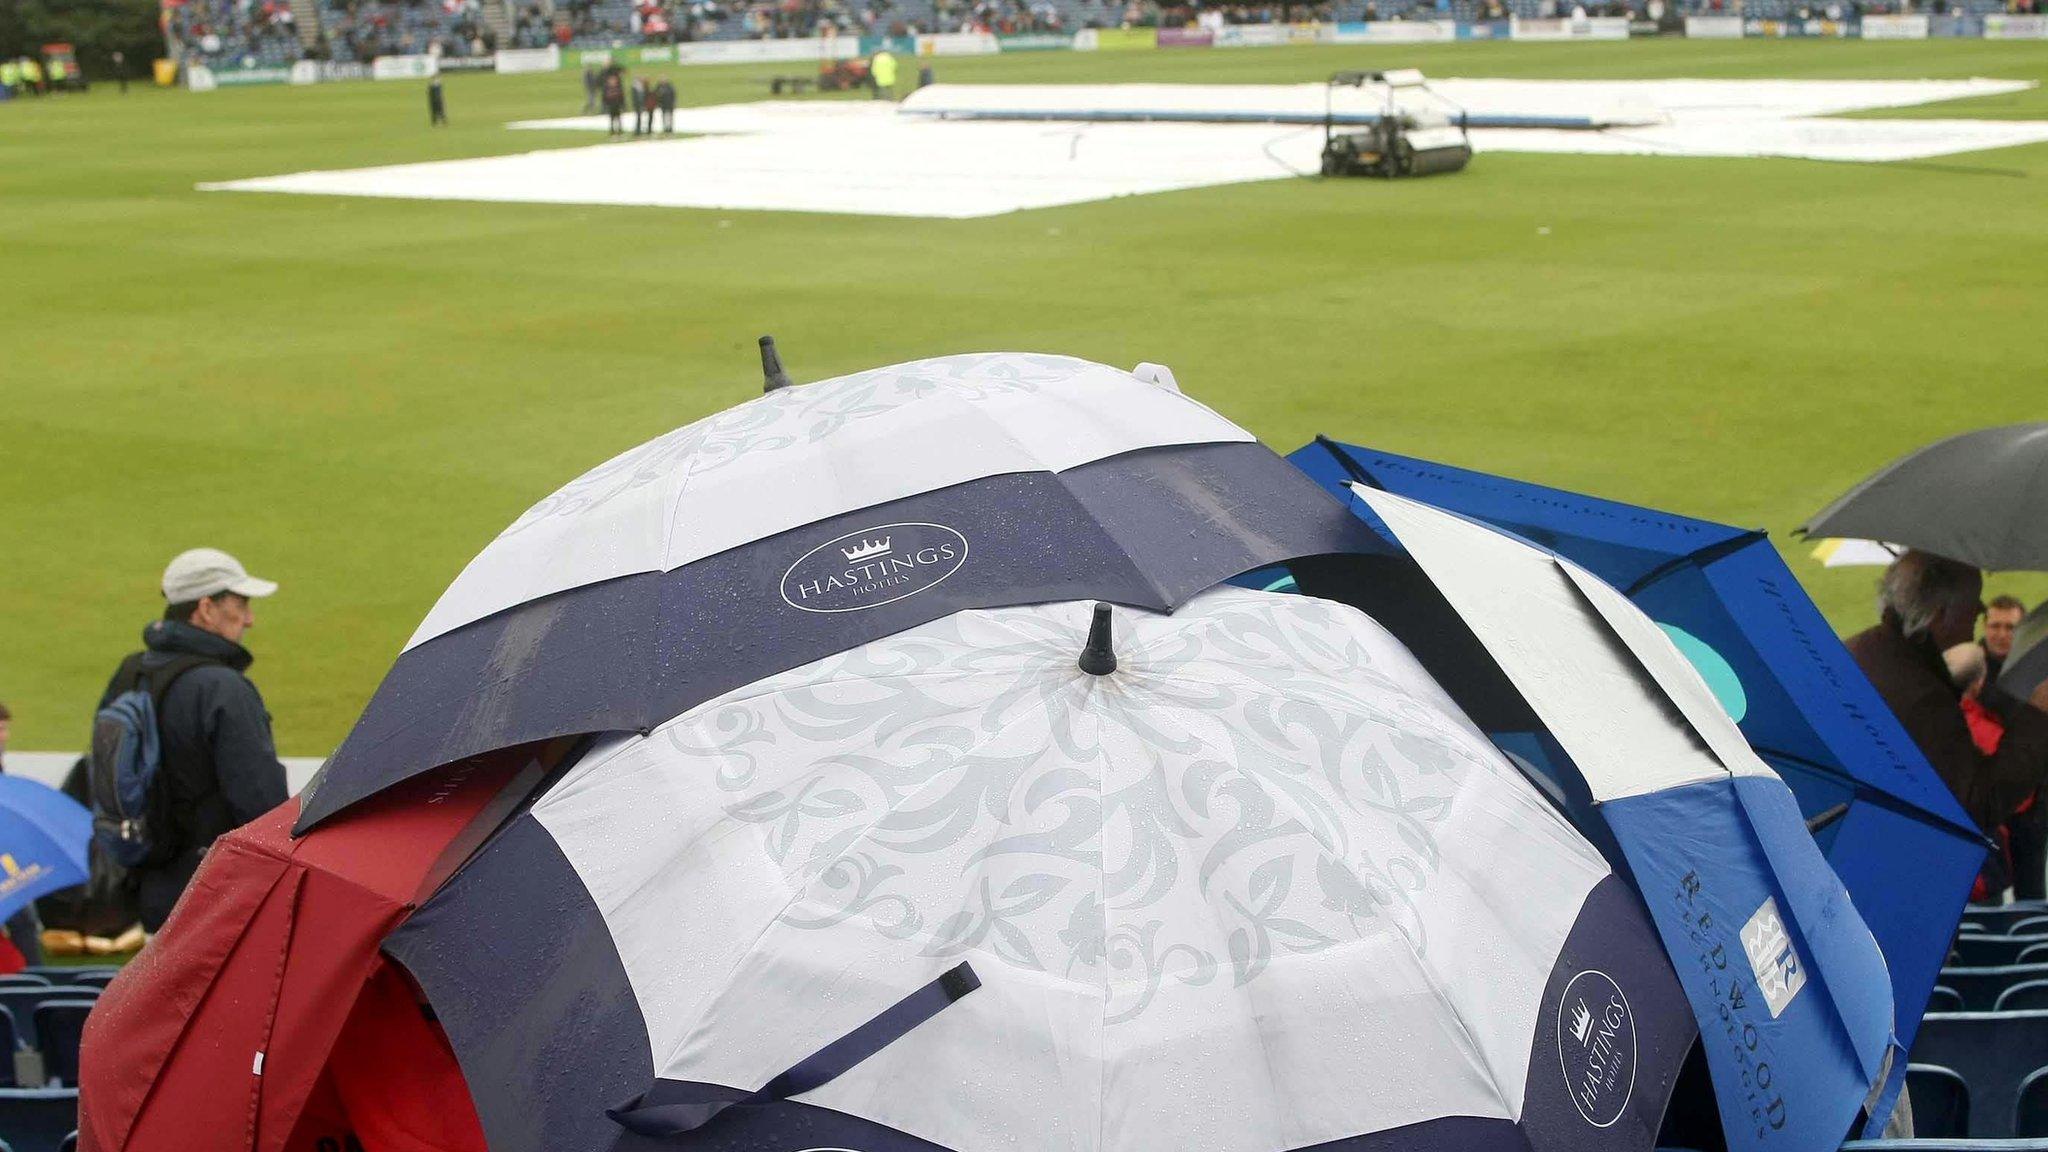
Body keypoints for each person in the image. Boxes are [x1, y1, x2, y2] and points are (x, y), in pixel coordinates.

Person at [96, 548, 289, 932]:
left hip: (148, 889)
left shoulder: (130, 673)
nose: (249, 618)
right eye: (240, 603)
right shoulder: (224, 688)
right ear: (205, 608)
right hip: (215, 900)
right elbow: (261, 806)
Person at [1848, 551, 2048, 840]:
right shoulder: (1921, 697)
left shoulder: (1866, 649)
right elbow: (1978, 804)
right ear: (1941, 613)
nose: (1981, 609)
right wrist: (2038, 713)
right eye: (1973, 600)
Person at [1987, 595, 2027, 682]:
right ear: (1985, 627)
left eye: (2010, 627)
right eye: (1995, 626)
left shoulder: (2038, 669)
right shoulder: (1967, 669)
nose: (2002, 635)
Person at [601, 64, 626, 136]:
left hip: (617, 105)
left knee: (618, 118)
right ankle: (612, 131)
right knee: (612, 119)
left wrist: (623, 105)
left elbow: (622, 97)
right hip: (611, 106)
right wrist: (605, 105)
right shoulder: (607, 88)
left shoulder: (618, 88)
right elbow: (604, 97)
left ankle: (620, 130)